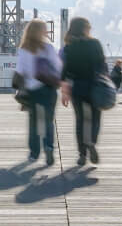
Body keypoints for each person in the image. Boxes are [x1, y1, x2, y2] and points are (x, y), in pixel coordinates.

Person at [61, 16, 107, 167]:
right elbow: (103, 66)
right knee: (95, 118)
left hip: (77, 88)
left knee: (80, 120)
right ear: (85, 28)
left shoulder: (69, 47)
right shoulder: (95, 44)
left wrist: (64, 92)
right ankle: (92, 142)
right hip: (95, 86)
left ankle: (82, 154)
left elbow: (65, 71)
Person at [16, 20, 62, 164]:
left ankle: (34, 153)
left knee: (34, 122)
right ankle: (48, 147)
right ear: (42, 31)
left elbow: (19, 71)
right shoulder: (48, 48)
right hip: (48, 89)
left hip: (32, 90)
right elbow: (59, 66)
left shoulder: (24, 49)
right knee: (48, 120)